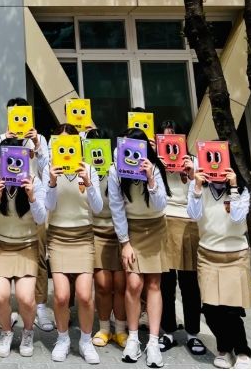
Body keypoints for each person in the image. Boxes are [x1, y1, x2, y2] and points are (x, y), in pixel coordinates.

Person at [0, 96, 53, 332]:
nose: (18, 118)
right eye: (13, 114)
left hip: (33, 200)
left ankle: (41, 305)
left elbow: (47, 167)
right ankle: (7, 312)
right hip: (8, 203)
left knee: (40, 256)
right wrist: (4, 141)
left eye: (21, 113)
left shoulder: (39, 139)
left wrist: (36, 144)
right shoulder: (0, 139)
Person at [108, 127, 170, 368]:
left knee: (154, 284)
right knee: (134, 284)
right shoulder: (116, 170)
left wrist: (151, 179)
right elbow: (116, 208)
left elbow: (160, 205)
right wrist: (125, 243)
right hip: (130, 229)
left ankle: (153, 342)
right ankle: (133, 337)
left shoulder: (153, 167)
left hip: (154, 226)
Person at [0, 139, 47, 359]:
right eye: (8, 157)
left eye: (20, 156)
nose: (14, 162)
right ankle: (6, 331)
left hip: (26, 245)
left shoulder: (34, 181)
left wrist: (31, 197)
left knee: (26, 298)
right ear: (1, 159)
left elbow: (41, 218)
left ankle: (28, 331)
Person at [44, 124, 103, 364]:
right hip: (58, 236)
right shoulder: (50, 169)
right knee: (60, 295)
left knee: (85, 296)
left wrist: (88, 183)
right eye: (61, 143)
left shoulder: (88, 168)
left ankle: (86, 340)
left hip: (83, 236)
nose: (66, 147)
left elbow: (97, 207)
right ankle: (63, 338)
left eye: (70, 143)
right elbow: (48, 206)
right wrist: (50, 182)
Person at [187, 156, 251, 369]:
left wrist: (233, 186)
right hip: (208, 255)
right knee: (211, 309)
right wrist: (196, 187)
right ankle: (224, 348)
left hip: (235, 255)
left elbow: (236, 218)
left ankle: (242, 352)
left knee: (232, 310)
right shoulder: (199, 186)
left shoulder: (242, 190)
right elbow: (193, 214)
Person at [157, 120, 206, 356]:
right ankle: (166, 331)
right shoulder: (156, 163)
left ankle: (193, 334)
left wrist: (190, 174)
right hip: (163, 222)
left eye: (173, 137)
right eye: (164, 138)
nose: (169, 142)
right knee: (165, 283)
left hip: (188, 224)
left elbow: (200, 198)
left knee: (189, 284)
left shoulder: (194, 162)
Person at [85, 128, 127, 350]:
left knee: (120, 284)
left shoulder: (116, 169)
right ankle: (103, 327)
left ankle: (120, 329)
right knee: (102, 284)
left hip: (119, 232)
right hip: (95, 231)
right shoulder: (82, 169)